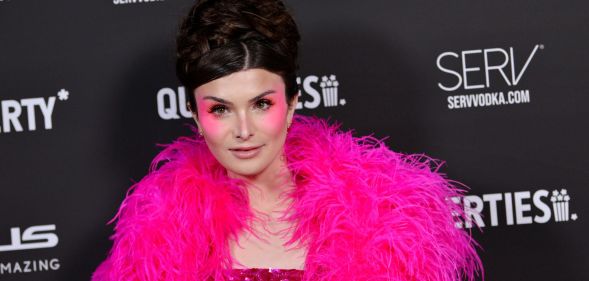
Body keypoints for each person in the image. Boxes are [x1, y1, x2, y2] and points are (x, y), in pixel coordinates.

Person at [92, 0, 483, 280]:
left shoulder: (384, 220)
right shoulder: (156, 240)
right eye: (220, 109)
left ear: (293, 103)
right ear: (194, 115)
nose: (243, 129)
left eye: (261, 103)